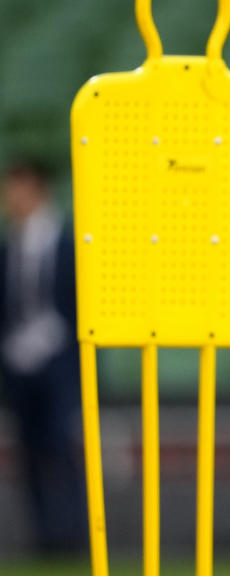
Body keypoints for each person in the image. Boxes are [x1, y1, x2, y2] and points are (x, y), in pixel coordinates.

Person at [0, 158, 86, 553]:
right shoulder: (9, 249)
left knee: (64, 446)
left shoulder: (70, 244)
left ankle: (76, 531)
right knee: (29, 451)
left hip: (63, 367)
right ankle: (44, 537)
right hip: (19, 371)